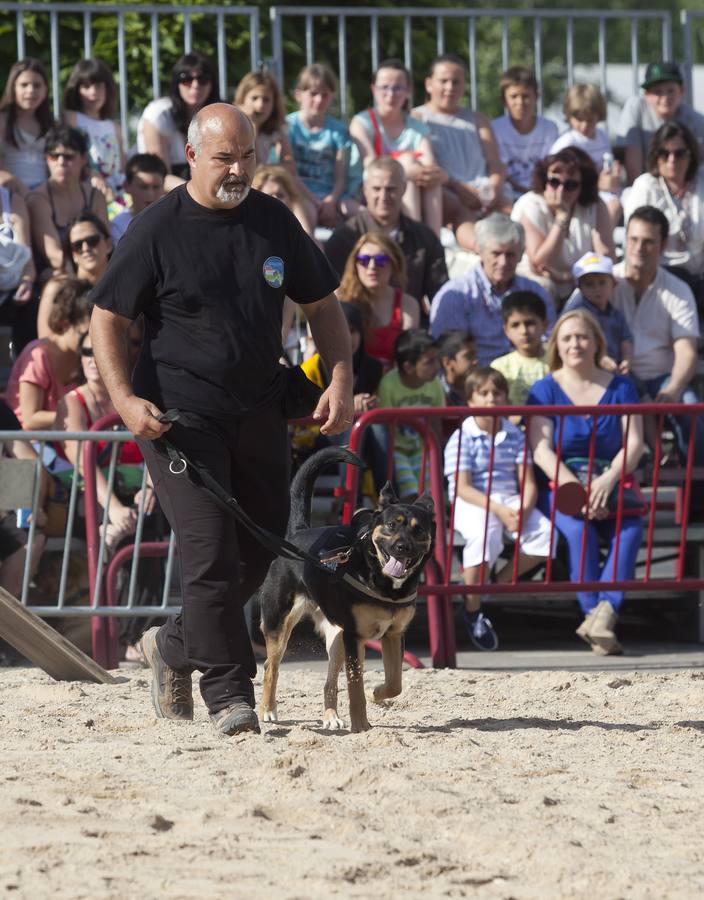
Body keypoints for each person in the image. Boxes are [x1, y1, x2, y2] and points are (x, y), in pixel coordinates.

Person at [89, 104, 353, 737]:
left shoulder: (273, 221)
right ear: (191, 156)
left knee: (258, 555)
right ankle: (229, 695)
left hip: (260, 409)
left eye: (247, 157)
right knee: (208, 557)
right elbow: (108, 319)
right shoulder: (155, 230)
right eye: (223, 158)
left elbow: (322, 305)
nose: (238, 170)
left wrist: (341, 377)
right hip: (179, 419)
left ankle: (173, 646)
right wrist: (125, 401)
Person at [527, 309, 645, 655]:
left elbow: (634, 443)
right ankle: (595, 613)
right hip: (562, 485)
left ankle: (602, 617)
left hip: (613, 481)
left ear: (596, 342)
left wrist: (606, 481)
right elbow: (541, 448)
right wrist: (575, 489)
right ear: (557, 347)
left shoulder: (622, 387)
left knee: (630, 530)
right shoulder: (544, 389)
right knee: (579, 531)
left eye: (582, 337)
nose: (575, 344)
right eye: (567, 338)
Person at [445, 366, 553, 651]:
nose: (491, 399)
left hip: (509, 498)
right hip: (473, 501)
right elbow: (464, 487)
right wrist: (500, 511)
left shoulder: (514, 435)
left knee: (546, 535)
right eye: (484, 393)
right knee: (485, 534)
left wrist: (525, 510)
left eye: (497, 392)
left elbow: (527, 482)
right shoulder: (462, 437)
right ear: (471, 400)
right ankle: (472, 610)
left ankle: (487, 588)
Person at [610, 205, 702, 464]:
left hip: (663, 379)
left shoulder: (678, 289)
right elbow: (573, 323)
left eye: (649, 241)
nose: (639, 248)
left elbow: (687, 350)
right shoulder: (604, 282)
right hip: (615, 380)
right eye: (634, 239)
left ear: (662, 247)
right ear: (625, 241)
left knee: (692, 414)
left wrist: (673, 388)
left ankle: (694, 496)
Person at [411, 54, 509, 251]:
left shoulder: (478, 119)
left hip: (484, 190)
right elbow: (427, 167)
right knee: (460, 211)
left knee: (512, 209)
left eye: (456, 82)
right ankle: (483, 250)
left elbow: (495, 162)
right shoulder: (417, 118)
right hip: (449, 191)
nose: (450, 87)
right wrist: (461, 189)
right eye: (444, 81)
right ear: (429, 84)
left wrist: (494, 187)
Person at [429, 213, 555, 365]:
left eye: (510, 255)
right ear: (480, 252)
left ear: (521, 255)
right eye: (496, 254)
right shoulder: (456, 295)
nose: (503, 262)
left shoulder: (535, 292)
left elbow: (550, 342)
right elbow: (448, 357)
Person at [324, 156, 448, 309]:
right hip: (358, 327)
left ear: (404, 189)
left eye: (391, 189)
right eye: (377, 189)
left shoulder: (425, 238)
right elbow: (327, 299)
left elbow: (441, 295)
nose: (383, 197)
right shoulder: (344, 238)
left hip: (410, 325)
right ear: (365, 190)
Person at [350, 58, 442, 235]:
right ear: (373, 89)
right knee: (405, 174)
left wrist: (412, 168)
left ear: (408, 91)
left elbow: (430, 168)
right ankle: (414, 241)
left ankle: (433, 241)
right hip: (367, 190)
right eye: (384, 87)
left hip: (405, 186)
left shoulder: (417, 127)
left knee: (432, 183)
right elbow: (370, 163)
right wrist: (406, 166)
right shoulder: (362, 122)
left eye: (398, 87)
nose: (391, 94)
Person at [511, 147, 615, 301]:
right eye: (554, 182)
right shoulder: (530, 204)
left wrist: (568, 278)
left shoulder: (595, 207)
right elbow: (539, 263)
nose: (560, 191)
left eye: (570, 185)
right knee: (545, 286)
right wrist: (562, 217)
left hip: (581, 281)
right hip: (537, 281)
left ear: (583, 186)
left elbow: (605, 259)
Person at [623, 122, 704, 310]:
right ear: (655, 156)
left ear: (691, 155)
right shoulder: (646, 187)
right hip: (657, 279)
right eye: (664, 154)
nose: (672, 160)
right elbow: (635, 241)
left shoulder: (701, 183)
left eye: (679, 153)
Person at [6, 277, 91, 429]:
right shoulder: (38, 355)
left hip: (67, 437)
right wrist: (78, 415)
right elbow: (30, 419)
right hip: (32, 444)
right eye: (86, 333)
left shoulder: (84, 355)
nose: (91, 340)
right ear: (66, 325)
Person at [26, 125, 108, 277]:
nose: (61, 162)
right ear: (46, 159)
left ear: (83, 158)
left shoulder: (95, 196)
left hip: (93, 269)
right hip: (59, 273)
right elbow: (54, 256)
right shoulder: (38, 200)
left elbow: (105, 244)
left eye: (69, 156)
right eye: (54, 156)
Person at [286, 63, 357, 229]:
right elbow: (290, 173)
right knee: (306, 215)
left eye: (325, 95)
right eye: (313, 93)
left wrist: (331, 201)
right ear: (298, 94)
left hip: (332, 196)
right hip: (301, 194)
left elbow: (341, 176)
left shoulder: (338, 130)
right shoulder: (288, 127)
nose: (319, 100)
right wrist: (317, 203)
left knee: (361, 214)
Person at [377, 329, 444, 501]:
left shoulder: (435, 383)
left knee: (430, 493)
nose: (437, 366)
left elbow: (437, 421)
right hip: (398, 450)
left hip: (423, 449)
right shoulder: (389, 384)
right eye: (430, 362)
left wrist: (436, 452)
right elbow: (387, 426)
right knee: (410, 491)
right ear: (408, 366)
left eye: (437, 360)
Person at [615, 61, 704, 186]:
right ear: (646, 94)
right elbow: (633, 159)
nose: (665, 97)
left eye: (670, 91)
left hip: (684, 187)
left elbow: (699, 164)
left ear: (682, 91)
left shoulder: (695, 120)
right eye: (657, 92)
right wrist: (640, 192)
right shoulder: (636, 108)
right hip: (646, 184)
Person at [337, 230, 420, 365]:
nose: (372, 266)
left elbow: (407, 358)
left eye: (381, 260)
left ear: (394, 264)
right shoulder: (339, 298)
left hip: (390, 382)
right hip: (350, 380)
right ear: (355, 264)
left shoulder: (408, 304)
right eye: (364, 260)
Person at [137, 52, 219, 182]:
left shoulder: (221, 115)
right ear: (176, 83)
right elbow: (161, 177)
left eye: (203, 79)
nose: (195, 85)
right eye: (186, 79)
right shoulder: (158, 114)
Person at [549, 83, 622, 229]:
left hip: (600, 193)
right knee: (613, 206)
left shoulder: (602, 137)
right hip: (576, 196)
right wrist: (598, 185)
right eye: (579, 119)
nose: (584, 125)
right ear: (569, 116)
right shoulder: (566, 143)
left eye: (590, 120)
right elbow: (559, 181)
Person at [37, 213, 111, 338]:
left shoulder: (122, 286)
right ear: (73, 255)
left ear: (108, 245)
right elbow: (45, 342)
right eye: (78, 245)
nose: (85, 248)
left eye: (92, 240)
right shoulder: (56, 289)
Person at [63, 58, 126, 204]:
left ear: (107, 89)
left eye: (98, 86)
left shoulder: (115, 127)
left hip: (115, 194)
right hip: (84, 190)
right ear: (76, 90)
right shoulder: (72, 119)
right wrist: (90, 173)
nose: (93, 92)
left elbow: (122, 167)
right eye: (86, 86)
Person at [491, 66, 558, 200]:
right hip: (508, 194)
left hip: (544, 192)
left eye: (526, 96)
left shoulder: (550, 128)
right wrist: (526, 192)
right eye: (514, 96)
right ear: (504, 100)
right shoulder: (494, 129)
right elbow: (497, 171)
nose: (520, 102)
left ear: (536, 97)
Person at [563, 253, 633, 374]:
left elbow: (626, 339)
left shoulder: (616, 315)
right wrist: (600, 358)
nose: (597, 289)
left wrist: (627, 359)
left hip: (615, 369)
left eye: (602, 282)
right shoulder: (577, 316)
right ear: (579, 288)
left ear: (613, 284)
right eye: (589, 284)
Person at [0, 58, 53, 194]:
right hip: (11, 191)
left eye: (37, 85)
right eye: (24, 85)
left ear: (45, 89)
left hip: (45, 192)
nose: (31, 91)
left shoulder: (52, 124)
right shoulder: (3, 121)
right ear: (13, 88)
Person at [490, 291, 550, 406]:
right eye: (515, 325)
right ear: (506, 330)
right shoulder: (499, 367)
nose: (524, 331)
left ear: (545, 325)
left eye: (530, 323)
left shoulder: (559, 362)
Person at [0, 181, 37, 354]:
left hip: (10, 289)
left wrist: (26, 283)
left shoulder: (13, 201)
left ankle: (24, 373)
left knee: (33, 301)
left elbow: (28, 265)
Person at [234, 70, 293, 170]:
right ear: (243, 99)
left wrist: (268, 168)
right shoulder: (235, 127)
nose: (260, 105)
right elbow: (254, 164)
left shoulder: (276, 129)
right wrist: (253, 124)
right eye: (254, 98)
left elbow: (290, 165)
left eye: (266, 100)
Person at [111, 153, 167, 244]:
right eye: (143, 187)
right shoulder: (118, 227)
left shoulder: (175, 220)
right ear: (126, 186)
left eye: (156, 187)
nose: (150, 194)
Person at [435, 329, 477, 405]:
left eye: (475, 355)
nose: (475, 361)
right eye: (468, 356)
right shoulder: (435, 392)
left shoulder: (482, 391)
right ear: (447, 362)